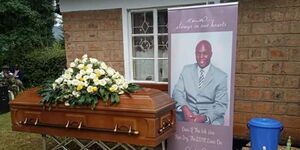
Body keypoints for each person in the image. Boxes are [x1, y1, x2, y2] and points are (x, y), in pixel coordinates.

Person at [172, 40, 228, 125]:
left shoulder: (221, 76)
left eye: (205, 53)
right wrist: (184, 107)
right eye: (198, 53)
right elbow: (177, 92)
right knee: (171, 120)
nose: (201, 57)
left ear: (211, 54)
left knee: (216, 125)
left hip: (210, 117)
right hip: (187, 114)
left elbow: (221, 105)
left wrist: (204, 117)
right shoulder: (186, 70)